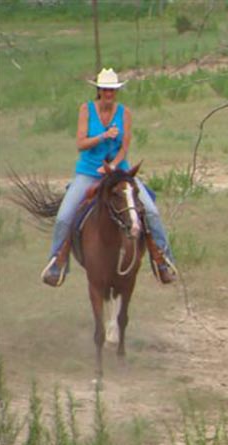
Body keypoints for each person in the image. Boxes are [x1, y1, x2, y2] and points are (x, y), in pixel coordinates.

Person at [41, 67, 176, 287]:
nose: (109, 94)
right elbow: (80, 143)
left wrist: (112, 166)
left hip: (119, 173)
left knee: (150, 210)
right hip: (88, 172)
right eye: (105, 90)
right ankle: (57, 263)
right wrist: (103, 136)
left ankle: (162, 260)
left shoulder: (125, 113)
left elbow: (125, 147)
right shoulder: (86, 110)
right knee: (64, 216)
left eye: (112, 90)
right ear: (99, 91)